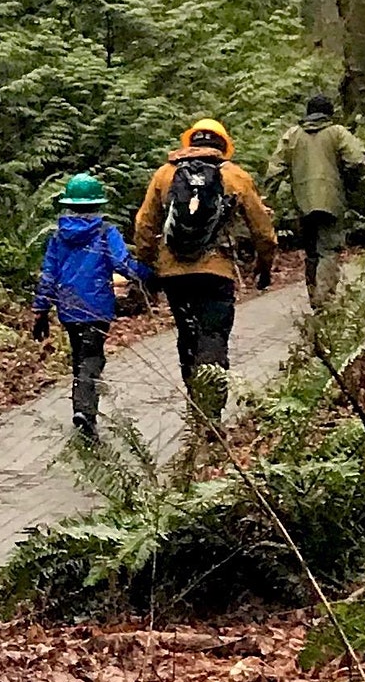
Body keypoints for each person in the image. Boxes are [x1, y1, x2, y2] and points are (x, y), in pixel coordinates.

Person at [131, 118, 278, 431]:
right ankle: (209, 416)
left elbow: (144, 225)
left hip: (174, 274)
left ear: (189, 143)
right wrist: (264, 267)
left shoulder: (165, 174)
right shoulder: (235, 177)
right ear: (223, 145)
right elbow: (262, 231)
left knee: (188, 334)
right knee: (213, 336)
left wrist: (148, 265)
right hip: (217, 272)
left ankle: (196, 403)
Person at [32, 173, 151, 443]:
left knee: (80, 356)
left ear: (69, 204)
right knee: (92, 357)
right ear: (97, 204)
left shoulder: (58, 236)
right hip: (96, 307)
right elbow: (123, 265)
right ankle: (84, 411)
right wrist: (148, 274)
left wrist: (41, 310)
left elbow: (49, 274)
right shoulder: (105, 232)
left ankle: (85, 412)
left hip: (68, 307)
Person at [266, 94, 365, 309]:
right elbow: (356, 160)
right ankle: (324, 300)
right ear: (329, 113)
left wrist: (268, 200)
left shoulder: (293, 135)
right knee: (329, 249)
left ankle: (313, 293)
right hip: (331, 201)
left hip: (303, 202)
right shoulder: (337, 133)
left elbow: (275, 169)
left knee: (311, 251)